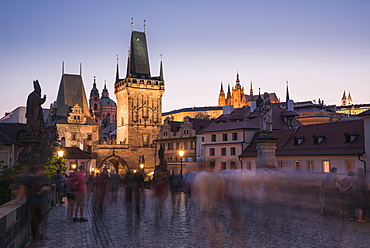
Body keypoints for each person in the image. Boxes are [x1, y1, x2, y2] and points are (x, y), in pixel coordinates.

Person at [9, 166, 51, 247]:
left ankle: (35, 240)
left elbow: (22, 191)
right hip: (37, 201)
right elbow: (39, 189)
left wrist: (16, 200)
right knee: (36, 220)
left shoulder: (28, 179)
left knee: (33, 221)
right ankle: (37, 238)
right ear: (36, 171)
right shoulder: (35, 179)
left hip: (32, 201)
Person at [193, 163, 225, 243]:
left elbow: (195, 188)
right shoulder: (219, 176)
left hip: (204, 201)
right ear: (214, 166)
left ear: (207, 166)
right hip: (215, 201)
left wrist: (196, 198)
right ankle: (213, 233)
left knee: (205, 218)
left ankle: (208, 231)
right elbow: (222, 188)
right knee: (214, 218)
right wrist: (223, 199)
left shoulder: (201, 176)